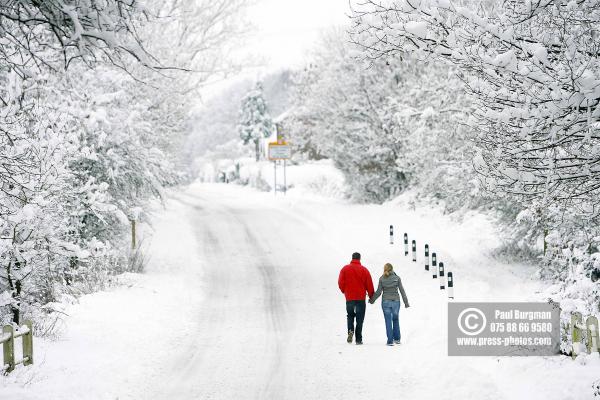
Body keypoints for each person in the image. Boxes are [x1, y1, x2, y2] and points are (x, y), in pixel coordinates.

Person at [338, 252, 374, 345]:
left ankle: (350, 330)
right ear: (359, 259)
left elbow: (340, 282)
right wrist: (371, 296)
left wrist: (344, 291)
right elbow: (369, 284)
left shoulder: (345, 269)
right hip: (360, 298)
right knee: (360, 318)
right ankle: (358, 339)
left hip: (349, 297)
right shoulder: (364, 270)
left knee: (350, 315)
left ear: (352, 258)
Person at [369, 263, 409, 346]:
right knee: (396, 319)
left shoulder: (382, 279)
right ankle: (397, 339)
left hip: (385, 302)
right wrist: (406, 302)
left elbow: (378, 292)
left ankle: (390, 341)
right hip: (396, 302)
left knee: (388, 320)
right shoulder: (397, 278)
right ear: (392, 269)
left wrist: (372, 300)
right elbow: (402, 291)